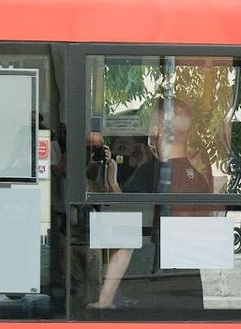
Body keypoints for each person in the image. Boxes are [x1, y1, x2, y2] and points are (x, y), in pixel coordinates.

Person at [87, 98, 211, 310]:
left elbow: (124, 235)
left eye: (152, 124)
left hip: (153, 288)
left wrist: (112, 182)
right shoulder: (197, 178)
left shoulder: (150, 174)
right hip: (189, 286)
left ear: (158, 130)